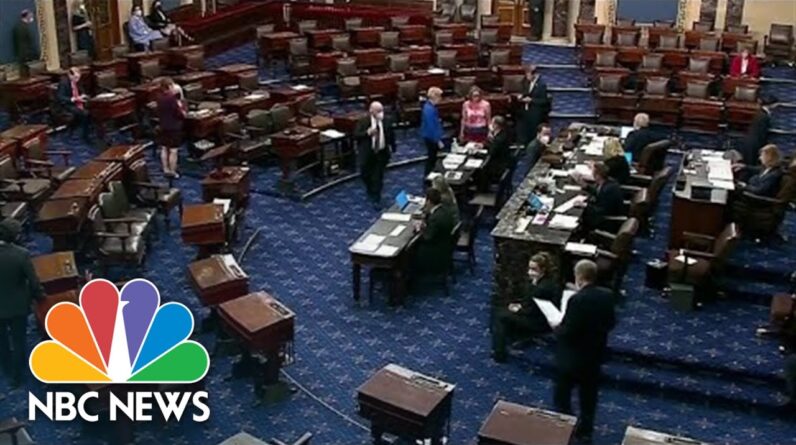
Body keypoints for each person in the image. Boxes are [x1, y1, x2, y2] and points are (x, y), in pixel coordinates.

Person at [553, 259, 616, 443]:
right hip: (594, 356)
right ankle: (585, 431)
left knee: (562, 396)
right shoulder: (607, 295)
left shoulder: (576, 300)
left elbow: (568, 331)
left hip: (572, 357)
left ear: (578, 276)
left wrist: (556, 328)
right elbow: (611, 323)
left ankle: (566, 427)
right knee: (588, 397)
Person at [492, 252, 563, 362]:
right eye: (530, 268)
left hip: (538, 322)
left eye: (534, 269)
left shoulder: (543, 288)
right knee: (502, 310)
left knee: (500, 316)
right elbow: (530, 303)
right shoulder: (542, 281)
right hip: (534, 314)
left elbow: (532, 310)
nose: (530, 272)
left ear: (543, 269)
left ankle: (499, 353)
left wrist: (518, 309)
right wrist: (520, 305)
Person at [0, 219, 44, 388]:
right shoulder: (21, 254)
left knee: (2, 341)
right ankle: (17, 377)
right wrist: (40, 297)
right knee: (19, 341)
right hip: (18, 307)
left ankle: (7, 370)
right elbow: (33, 282)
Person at [355, 101, 396, 207]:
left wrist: (393, 147)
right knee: (365, 174)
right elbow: (356, 135)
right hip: (368, 154)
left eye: (381, 110)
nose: (380, 113)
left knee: (378, 177)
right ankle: (370, 189)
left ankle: (376, 197)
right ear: (371, 111)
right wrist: (367, 133)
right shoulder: (363, 122)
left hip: (381, 153)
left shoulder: (386, 121)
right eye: (378, 111)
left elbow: (391, 135)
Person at [414, 188, 457, 274]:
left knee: (411, 248)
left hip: (436, 251)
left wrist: (418, 230)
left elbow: (427, 238)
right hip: (445, 244)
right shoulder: (445, 210)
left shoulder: (435, 219)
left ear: (429, 201)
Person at [577, 162, 625, 231]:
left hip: (606, 221)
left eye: (593, 173)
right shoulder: (607, 182)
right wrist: (586, 187)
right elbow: (599, 193)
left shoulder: (608, 190)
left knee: (579, 218)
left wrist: (585, 205)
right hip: (603, 213)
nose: (592, 175)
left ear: (598, 176)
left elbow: (601, 210)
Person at [155, 77, 187, 178]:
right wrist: (182, 107)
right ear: (169, 86)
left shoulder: (159, 97)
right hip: (174, 127)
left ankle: (165, 169)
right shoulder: (172, 99)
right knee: (173, 150)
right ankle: (172, 172)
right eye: (172, 85)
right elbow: (179, 114)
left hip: (163, 126)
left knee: (164, 148)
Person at [56, 67, 92, 143]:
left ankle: (86, 131)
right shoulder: (63, 83)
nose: (77, 80)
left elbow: (81, 91)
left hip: (78, 102)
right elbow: (60, 97)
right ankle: (85, 136)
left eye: (78, 78)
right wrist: (74, 99)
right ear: (70, 75)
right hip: (67, 105)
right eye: (75, 77)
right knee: (85, 113)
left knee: (93, 109)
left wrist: (83, 96)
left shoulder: (77, 81)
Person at [516, 65, 550, 145]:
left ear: (534, 74)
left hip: (536, 111)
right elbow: (525, 92)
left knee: (533, 131)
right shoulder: (526, 81)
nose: (527, 77)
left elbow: (544, 101)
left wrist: (531, 100)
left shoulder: (541, 85)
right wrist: (521, 96)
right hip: (526, 110)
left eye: (528, 75)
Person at [420, 87, 445, 178]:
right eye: (440, 96)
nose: (441, 99)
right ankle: (428, 176)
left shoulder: (430, 107)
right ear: (435, 97)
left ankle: (430, 175)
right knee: (432, 158)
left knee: (432, 157)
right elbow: (431, 127)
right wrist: (438, 140)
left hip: (430, 136)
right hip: (431, 137)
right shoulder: (429, 109)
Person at [482, 116, 512, 182]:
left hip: (497, 165)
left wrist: (477, 153)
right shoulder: (503, 133)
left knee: (480, 169)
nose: (490, 125)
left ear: (496, 125)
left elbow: (491, 152)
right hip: (503, 161)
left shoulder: (499, 139)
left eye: (492, 123)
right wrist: (484, 145)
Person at [12, 10, 39, 76]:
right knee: (29, 75)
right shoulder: (25, 28)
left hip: (20, 55)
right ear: (27, 16)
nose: (32, 18)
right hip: (28, 55)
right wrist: (36, 53)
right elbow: (30, 42)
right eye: (31, 16)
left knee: (24, 73)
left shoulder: (17, 27)